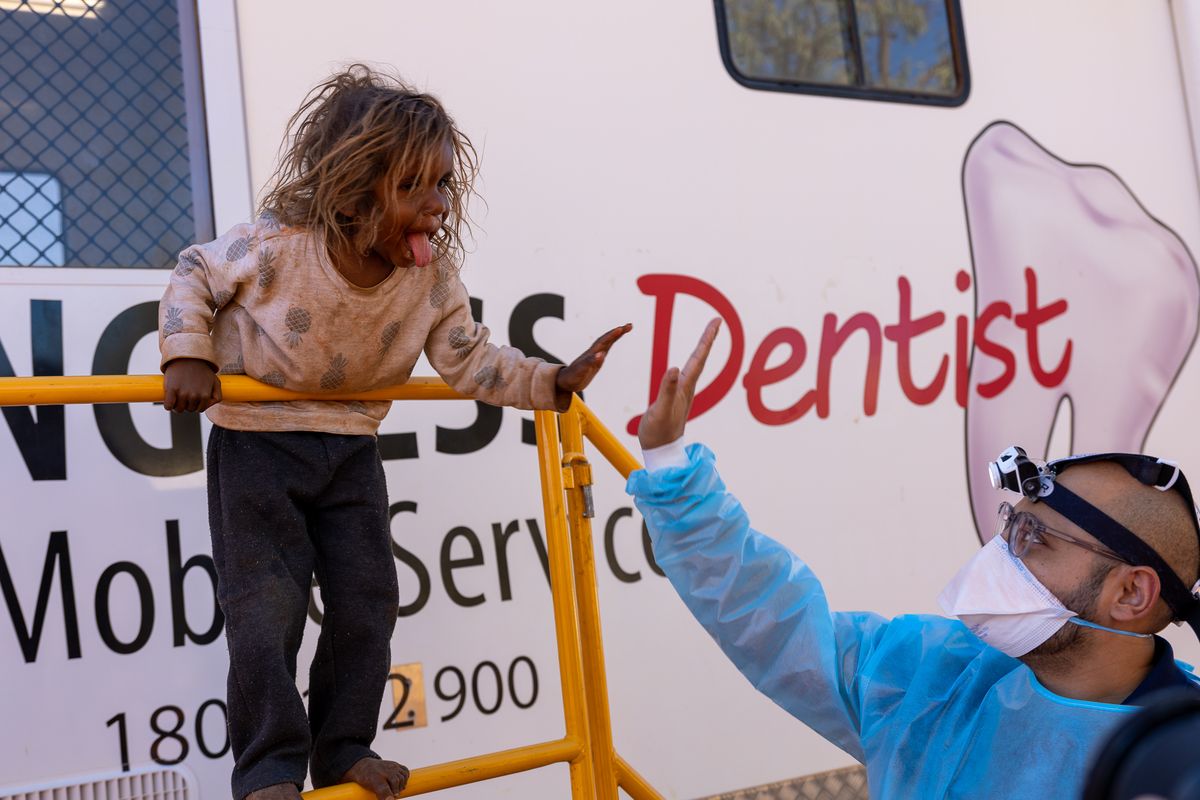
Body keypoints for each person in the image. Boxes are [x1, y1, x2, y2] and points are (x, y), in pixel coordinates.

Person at [158, 65, 630, 800]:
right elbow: (193, 273)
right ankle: (268, 770)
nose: (438, 206)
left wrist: (552, 382)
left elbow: (470, 360)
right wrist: (186, 351)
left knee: (370, 599)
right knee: (264, 610)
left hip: (349, 448)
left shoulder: (429, 280)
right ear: (353, 186)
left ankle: (343, 747)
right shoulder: (278, 248)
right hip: (255, 440)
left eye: (444, 186)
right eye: (415, 188)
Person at [628, 319, 1200, 799]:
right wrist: (670, 466)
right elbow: (775, 624)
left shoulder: (1178, 761)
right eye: (1010, 527)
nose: (1000, 558)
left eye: (1034, 540)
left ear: (1130, 594)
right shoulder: (937, 680)